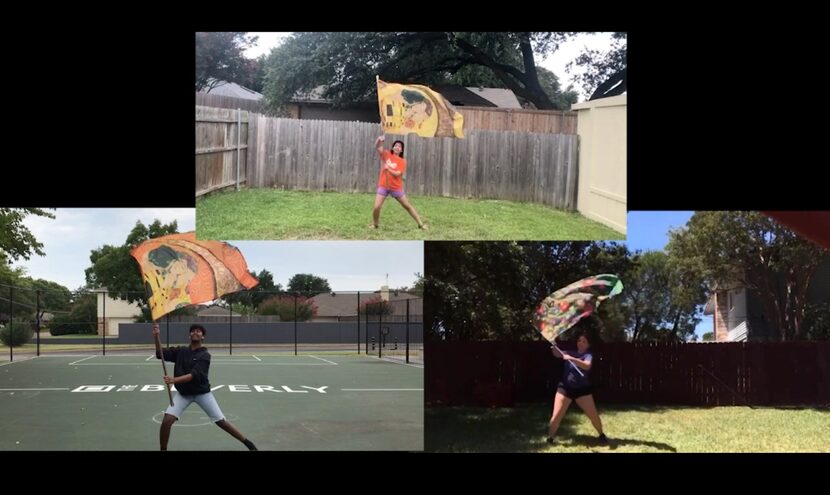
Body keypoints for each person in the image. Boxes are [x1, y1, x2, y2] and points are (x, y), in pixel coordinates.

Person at [153, 323, 257, 451]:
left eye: (198, 331)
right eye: (193, 331)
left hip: (202, 394)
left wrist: (174, 380)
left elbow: (194, 375)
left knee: (221, 422)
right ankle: (163, 449)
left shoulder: (205, 355)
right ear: (189, 335)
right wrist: (156, 336)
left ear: (203, 337)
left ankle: (248, 443)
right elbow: (160, 354)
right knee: (167, 421)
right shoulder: (181, 351)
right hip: (183, 394)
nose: (195, 332)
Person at [546, 331, 609, 446]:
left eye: (584, 341)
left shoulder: (588, 355)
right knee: (556, 415)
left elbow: (587, 365)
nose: (581, 343)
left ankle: (601, 434)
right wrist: (553, 344)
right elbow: (557, 353)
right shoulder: (570, 352)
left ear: (588, 345)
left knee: (593, 415)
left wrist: (572, 359)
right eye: (579, 340)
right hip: (565, 388)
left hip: (582, 390)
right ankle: (550, 438)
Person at [371, 135, 427, 230]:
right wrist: (379, 140)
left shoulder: (402, 161)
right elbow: (377, 147)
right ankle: (375, 224)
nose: (397, 147)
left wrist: (388, 169)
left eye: (400, 146)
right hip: (383, 186)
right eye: (396, 145)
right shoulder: (387, 154)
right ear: (393, 147)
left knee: (407, 206)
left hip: (396, 187)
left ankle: (420, 224)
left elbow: (397, 174)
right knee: (376, 207)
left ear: (401, 150)